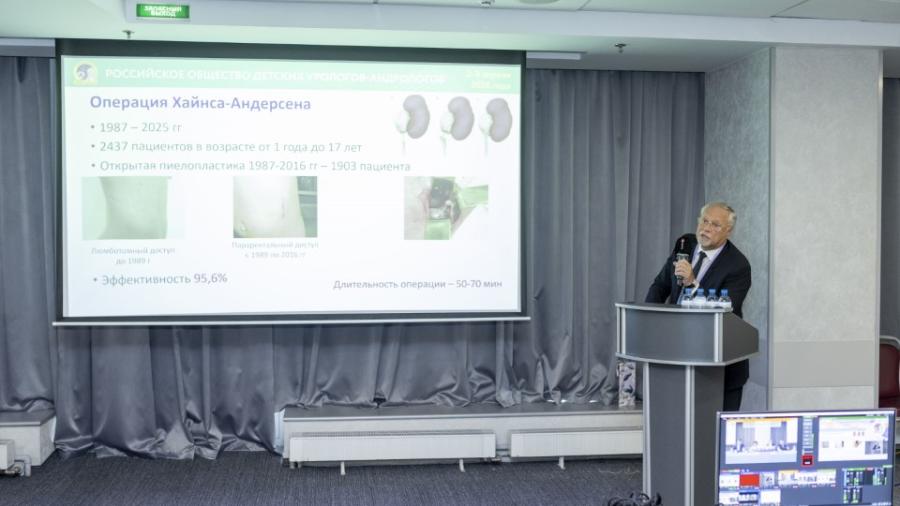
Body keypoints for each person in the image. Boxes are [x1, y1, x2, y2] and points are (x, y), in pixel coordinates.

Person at [645, 201, 751, 411]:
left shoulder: (738, 265)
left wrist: (693, 283)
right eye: (704, 221)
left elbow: (724, 312)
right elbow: (660, 286)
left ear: (728, 231)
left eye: (715, 225)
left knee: (712, 428)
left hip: (719, 366)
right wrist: (648, 322)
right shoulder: (685, 244)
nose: (706, 228)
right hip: (678, 356)